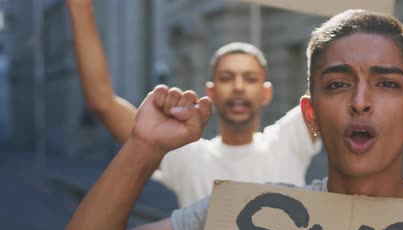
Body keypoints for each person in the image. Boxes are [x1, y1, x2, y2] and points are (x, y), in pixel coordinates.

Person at [46, 9, 403, 230]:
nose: (360, 101)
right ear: (312, 115)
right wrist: (143, 147)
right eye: (338, 84)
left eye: (387, 84)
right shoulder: (237, 217)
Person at [66, 0, 321, 208]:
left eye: (250, 78)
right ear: (211, 92)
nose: (239, 86)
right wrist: (80, 7)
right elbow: (102, 103)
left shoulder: (288, 141)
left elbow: (331, 76)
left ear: (266, 93)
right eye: (226, 78)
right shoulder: (189, 158)